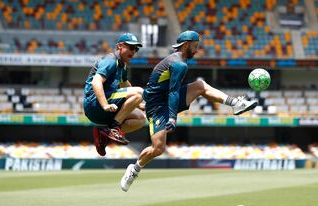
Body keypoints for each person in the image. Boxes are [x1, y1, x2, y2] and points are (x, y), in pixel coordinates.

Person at [120, 30, 258, 191]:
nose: (197, 50)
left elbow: (172, 92)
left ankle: (235, 103)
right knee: (158, 148)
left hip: (165, 101)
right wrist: (172, 118)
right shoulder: (179, 64)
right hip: (157, 107)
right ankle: (134, 169)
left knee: (200, 86)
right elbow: (173, 91)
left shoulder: (179, 61)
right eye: (195, 46)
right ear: (186, 45)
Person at [83, 33, 146, 156]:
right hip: (95, 104)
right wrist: (105, 105)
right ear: (119, 46)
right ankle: (114, 127)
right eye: (131, 48)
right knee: (140, 92)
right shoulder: (111, 61)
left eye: (136, 49)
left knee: (140, 119)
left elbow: (124, 83)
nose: (134, 52)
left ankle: (103, 134)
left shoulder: (122, 65)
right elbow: (96, 82)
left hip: (103, 107)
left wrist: (139, 105)